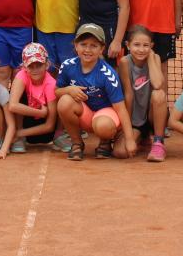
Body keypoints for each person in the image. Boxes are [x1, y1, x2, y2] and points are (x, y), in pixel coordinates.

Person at [55, 23, 135, 161]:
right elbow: (57, 91)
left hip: (105, 116)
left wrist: (130, 139)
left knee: (103, 126)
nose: (87, 49)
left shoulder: (108, 74)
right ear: (75, 45)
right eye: (83, 44)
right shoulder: (67, 66)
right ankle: (77, 143)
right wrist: (68, 89)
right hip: (85, 114)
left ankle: (105, 142)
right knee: (64, 102)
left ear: (101, 49)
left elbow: (121, 109)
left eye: (94, 45)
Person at [116, 25, 168, 162]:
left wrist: (150, 58)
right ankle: (142, 137)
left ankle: (158, 142)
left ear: (152, 46)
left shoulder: (155, 58)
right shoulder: (124, 62)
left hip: (152, 115)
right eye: (136, 45)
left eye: (146, 45)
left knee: (159, 94)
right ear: (127, 45)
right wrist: (126, 129)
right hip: (135, 118)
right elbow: (128, 94)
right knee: (120, 152)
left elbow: (157, 84)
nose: (141, 49)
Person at [2, 42, 60, 155]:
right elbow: (13, 105)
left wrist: (18, 133)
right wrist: (40, 112)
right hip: (26, 123)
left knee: (62, 98)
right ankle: (19, 141)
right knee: (16, 96)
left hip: (44, 133)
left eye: (39, 65)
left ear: (47, 65)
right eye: (30, 66)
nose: (35, 69)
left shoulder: (51, 83)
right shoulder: (21, 75)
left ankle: (59, 136)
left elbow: (50, 125)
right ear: (24, 67)